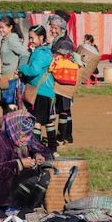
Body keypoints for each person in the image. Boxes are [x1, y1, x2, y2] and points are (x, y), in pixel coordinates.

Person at [0, 110, 49, 215]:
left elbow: (42, 149)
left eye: (27, 135)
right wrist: (19, 163)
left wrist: (38, 155)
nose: (25, 139)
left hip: (13, 183)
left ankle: (25, 210)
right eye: (23, 136)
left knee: (44, 176)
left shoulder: (20, 134)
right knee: (32, 177)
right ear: (14, 129)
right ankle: (13, 208)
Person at [19, 25, 57, 153]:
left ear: (41, 38)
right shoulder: (46, 51)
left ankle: (36, 150)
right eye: (29, 38)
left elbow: (33, 70)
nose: (30, 40)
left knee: (37, 122)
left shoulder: (41, 53)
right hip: (46, 91)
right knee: (48, 121)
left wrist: (22, 68)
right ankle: (52, 149)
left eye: (32, 38)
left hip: (39, 92)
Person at [48, 11, 75, 145]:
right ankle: (67, 136)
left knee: (63, 109)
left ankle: (61, 137)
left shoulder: (65, 43)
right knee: (64, 108)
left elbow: (56, 59)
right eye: (51, 27)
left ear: (62, 29)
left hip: (64, 80)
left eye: (55, 28)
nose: (52, 30)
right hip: (60, 79)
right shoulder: (58, 40)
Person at [0, 16, 29, 114]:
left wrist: (18, 71)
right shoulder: (5, 39)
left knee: (10, 106)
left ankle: (11, 128)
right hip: (4, 77)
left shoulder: (12, 39)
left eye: (2, 27)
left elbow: (25, 54)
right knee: (5, 105)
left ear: (10, 27)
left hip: (11, 78)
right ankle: (7, 128)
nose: (0, 29)